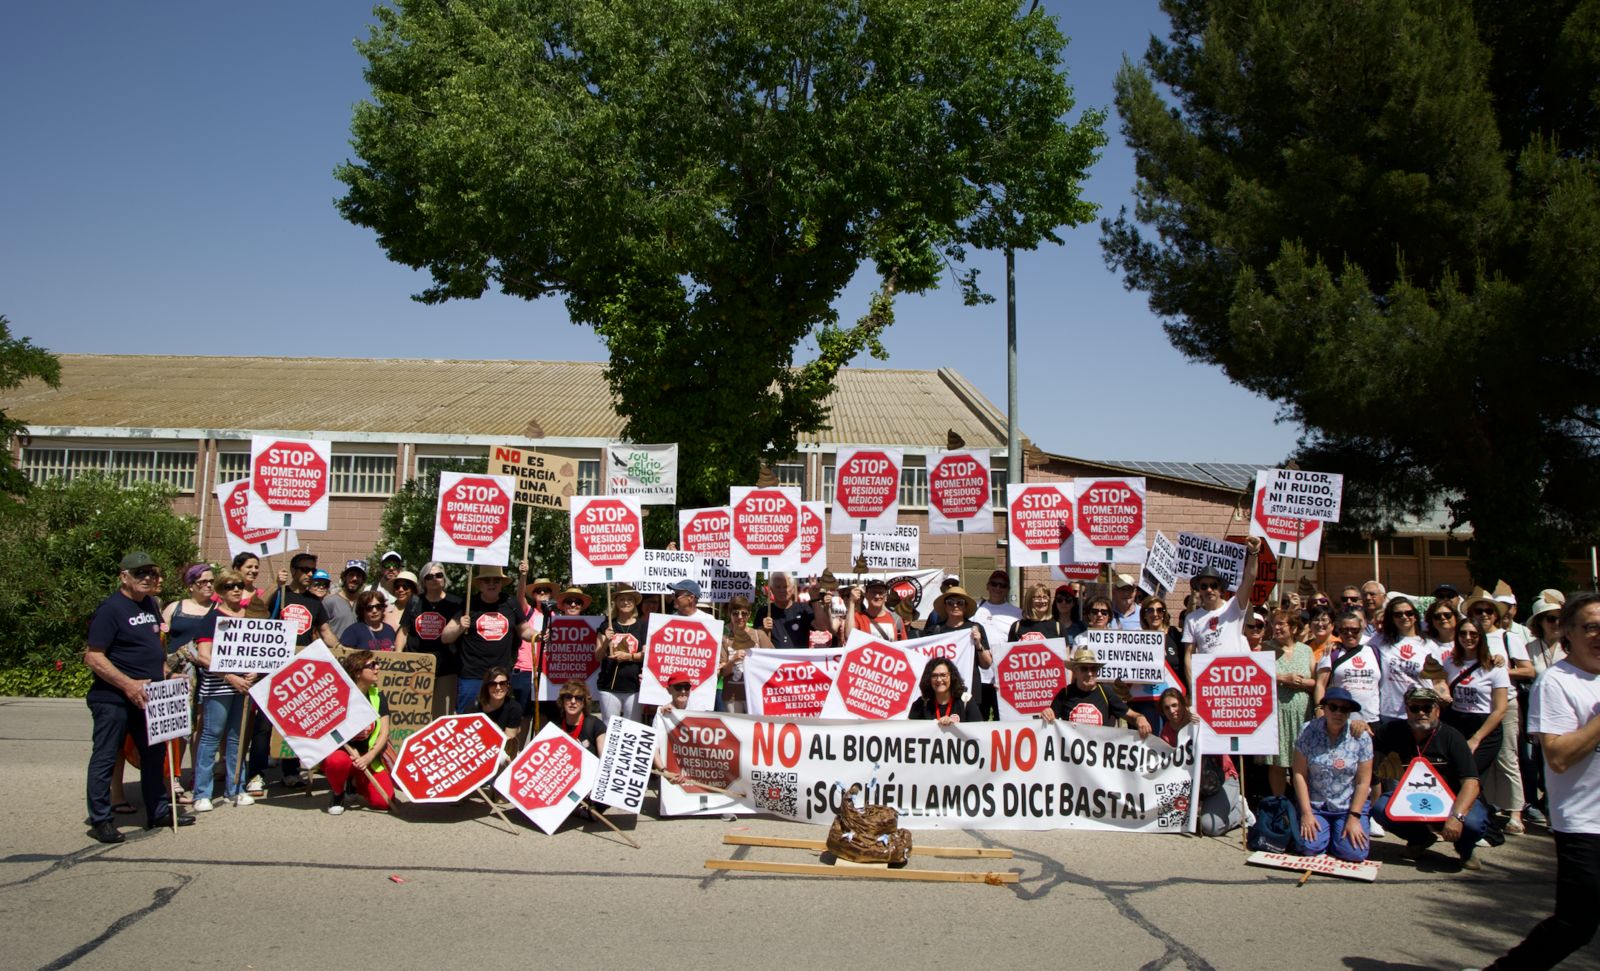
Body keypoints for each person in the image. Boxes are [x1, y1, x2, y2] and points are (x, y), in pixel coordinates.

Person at [1485, 593, 1600, 969]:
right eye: (1590, 626)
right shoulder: (1558, 682)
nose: (1599, 634)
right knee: (1575, 924)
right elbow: (1558, 757)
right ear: (1568, 632)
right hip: (1584, 824)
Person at [84, 551, 195, 842]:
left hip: (149, 697)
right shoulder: (110, 609)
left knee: (154, 755)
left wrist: (168, 675)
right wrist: (128, 684)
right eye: (140, 573)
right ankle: (101, 820)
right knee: (106, 757)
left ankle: (158, 811)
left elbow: (155, 648)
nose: (148, 578)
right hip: (114, 698)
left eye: (152, 573)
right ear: (124, 577)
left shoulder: (150, 604)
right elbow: (94, 657)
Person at [1373, 686, 1489, 870]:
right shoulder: (1392, 731)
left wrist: (1457, 817)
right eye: (1414, 708)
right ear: (1406, 710)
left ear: (1437, 709)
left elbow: (1471, 783)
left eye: (1427, 708)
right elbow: (1369, 739)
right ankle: (1419, 839)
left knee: (1473, 823)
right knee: (1381, 809)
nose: (1421, 713)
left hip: (1452, 800)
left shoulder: (1452, 737)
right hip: (1412, 798)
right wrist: (1360, 726)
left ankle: (1465, 849)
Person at [1466, 588, 1534, 834]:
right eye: (1478, 611)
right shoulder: (1467, 637)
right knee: (1481, 761)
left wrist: (1500, 671)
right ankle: (1490, 806)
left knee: (1507, 758)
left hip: (1505, 705)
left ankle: (1516, 812)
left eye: (1487, 611)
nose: (1483, 615)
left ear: (1496, 615)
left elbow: (1528, 670)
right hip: (1475, 706)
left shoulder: (1508, 638)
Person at [189, 568, 256, 811]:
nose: (236, 589)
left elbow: (261, 651)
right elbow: (204, 657)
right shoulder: (212, 619)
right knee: (211, 736)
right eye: (229, 586)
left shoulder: (250, 617)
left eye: (239, 585)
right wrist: (230, 677)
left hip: (244, 686)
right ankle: (202, 793)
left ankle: (236, 788)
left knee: (237, 739)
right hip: (219, 687)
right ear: (220, 591)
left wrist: (254, 672)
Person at [1292, 687, 1373, 861]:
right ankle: (1327, 834)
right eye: (1333, 707)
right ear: (1324, 708)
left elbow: (1363, 782)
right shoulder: (1307, 731)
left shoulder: (1361, 736)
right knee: (1308, 848)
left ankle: (1338, 834)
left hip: (1347, 807)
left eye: (1344, 709)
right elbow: (1299, 774)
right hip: (1316, 805)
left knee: (1354, 853)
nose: (1338, 712)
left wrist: (1354, 817)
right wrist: (1306, 813)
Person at [441, 566, 537, 714]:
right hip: (472, 676)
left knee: (497, 722)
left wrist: (539, 636)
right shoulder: (469, 604)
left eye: (496, 580)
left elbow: (524, 630)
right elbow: (446, 637)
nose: (491, 584)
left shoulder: (511, 604)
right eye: (487, 580)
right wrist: (460, 627)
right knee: (467, 720)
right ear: (480, 584)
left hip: (500, 677)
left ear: (501, 583)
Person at [322, 650, 395, 815]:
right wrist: (348, 748)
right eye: (372, 665)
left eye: (377, 664)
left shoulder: (377, 696)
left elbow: (384, 732)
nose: (378, 668)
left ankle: (354, 783)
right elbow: (328, 731)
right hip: (343, 753)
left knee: (384, 802)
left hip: (368, 758)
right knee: (337, 762)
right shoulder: (338, 696)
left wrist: (370, 756)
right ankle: (338, 793)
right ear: (357, 672)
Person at [1159, 688, 1240, 835]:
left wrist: (1204, 726)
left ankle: (1241, 811)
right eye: (1166, 708)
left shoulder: (1201, 719)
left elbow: (1224, 744)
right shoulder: (1166, 732)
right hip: (1196, 786)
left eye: (1175, 705)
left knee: (1209, 827)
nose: (1171, 711)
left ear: (1183, 704)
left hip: (1222, 780)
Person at [1437, 617, 1509, 776]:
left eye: (1473, 634)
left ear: (1481, 637)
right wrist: (1442, 694)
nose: (1467, 638)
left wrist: (1476, 739)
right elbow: (1440, 684)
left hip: (1484, 726)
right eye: (1463, 633)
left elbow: (1501, 709)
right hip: (1456, 723)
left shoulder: (1494, 666)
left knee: (1470, 774)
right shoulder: (1449, 662)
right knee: (1454, 774)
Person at [1180, 537, 1263, 672]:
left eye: (1213, 585)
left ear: (1221, 589)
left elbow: (1249, 580)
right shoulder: (1192, 619)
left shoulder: (1234, 606)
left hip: (1235, 678)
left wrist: (1253, 553)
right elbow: (1188, 656)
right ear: (1199, 590)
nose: (1209, 590)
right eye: (1204, 586)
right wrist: (1193, 688)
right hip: (1209, 681)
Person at [1521, 597, 1566, 826]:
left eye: (1559, 618)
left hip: (1564, 714)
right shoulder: (1530, 648)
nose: (1556, 622)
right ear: (1540, 622)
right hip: (1536, 710)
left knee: (1558, 763)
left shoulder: (1571, 647)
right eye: (1550, 618)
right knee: (1532, 762)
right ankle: (1534, 805)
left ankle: (1552, 808)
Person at [398, 561, 462, 716]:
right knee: (415, 713)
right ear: (423, 581)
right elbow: (403, 631)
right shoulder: (414, 602)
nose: (434, 579)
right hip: (416, 667)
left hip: (446, 668)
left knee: (441, 713)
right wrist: (398, 656)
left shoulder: (456, 603)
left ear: (444, 578)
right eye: (429, 576)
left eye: (439, 575)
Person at [1039, 648, 1153, 736]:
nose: (1090, 673)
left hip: (1099, 758)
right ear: (1075, 671)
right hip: (1072, 760)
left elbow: (1131, 715)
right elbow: (1049, 719)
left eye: (1093, 669)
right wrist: (1046, 713)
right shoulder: (1065, 693)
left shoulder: (1106, 692)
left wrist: (1140, 718)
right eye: (1084, 668)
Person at [1266, 608, 1314, 797]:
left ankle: (1303, 803)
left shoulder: (1306, 650)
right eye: (1274, 624)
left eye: (1281, 624)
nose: (1276, 628)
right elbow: (1258, 676)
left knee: (1302, 763)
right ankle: (1279, 803)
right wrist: (1283, 678)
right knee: (1278, 762)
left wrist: (1300, 682)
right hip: (1277, 715)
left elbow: (1316, 682)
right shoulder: (1265, 647)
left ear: (1294, 628)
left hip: (1302, 716)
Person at [923, 586, 991, 703]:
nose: (955, 605)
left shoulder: (976, 628)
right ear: (945, 606)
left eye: (960, 602)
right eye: (950, 602)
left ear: (965, 606)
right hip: (941, 694)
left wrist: (978, 644)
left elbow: (986, 664)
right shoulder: (934, 631)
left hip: (970, 692)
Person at [1371, 596, 1432, 724]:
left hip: (1420, 712)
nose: (1404, 617)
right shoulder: (1380, 640)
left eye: (1409, 613)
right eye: (1398, 614)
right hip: (1389, 712)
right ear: (1392, 619)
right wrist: (1335, 644)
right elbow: (1356, 649)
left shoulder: (1429, 645)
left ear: (1415, 616)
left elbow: (1438, 680)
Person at [1314, 611, 1381, 724]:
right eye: (1344, 630)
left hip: (1371, 719)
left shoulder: (1374, 651)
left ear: (1362, 630)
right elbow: (1320, 684)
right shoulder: (1331, 653)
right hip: (1340, 719)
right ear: (1339, 631)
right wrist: (1319, 710)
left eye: (1355, 630)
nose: (1350, 633)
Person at [596, 583, 647, 723]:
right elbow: (597, 656)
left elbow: (647, 656)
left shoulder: (643, 625)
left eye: (629, 599)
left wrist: (629, 657)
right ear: (616, 602)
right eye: (622, 599)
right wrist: (606, 640)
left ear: (635, 603)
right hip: (609, 687)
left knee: (633, 727)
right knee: (609, 727)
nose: (626, 602)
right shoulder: (607, 625)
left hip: (634, 687)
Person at [973, 569, 1020, 719]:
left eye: (1003, 585)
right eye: (994, 584)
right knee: (980, 720)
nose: (998, 588)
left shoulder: (1017, 613)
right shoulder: (975, 609)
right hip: (980, 676)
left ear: (1007, 589)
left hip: (1004, 678)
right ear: (987, 586)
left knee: (1003, 721)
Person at [720, 595, 771, 714]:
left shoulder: (759, 635)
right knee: (735, 730)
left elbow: (773, 662)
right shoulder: (725, 639)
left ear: (749, 614)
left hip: (756, 695)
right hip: (732, 696)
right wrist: (733, 660)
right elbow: (722, 672)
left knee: (756, 731)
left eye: (744, 613)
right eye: (735, 613)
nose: (740, 617)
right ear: (730, 614)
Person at [758, 571, 831, 647]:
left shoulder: (803, 609)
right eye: (778, 587)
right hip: (773, 658)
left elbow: (822, 627)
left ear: (793, 589)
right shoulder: (764, 612)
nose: (782, 590)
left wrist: (815, 598)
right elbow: (756, 640)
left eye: (785, 586)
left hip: (799, 658)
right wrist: (763, 630)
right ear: (772, 590)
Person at [908, 657, 983, 724]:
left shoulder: (966, 700)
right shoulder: (922, 703)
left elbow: (978, 730)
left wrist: (955, 727)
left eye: (943, 675)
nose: (939, 680)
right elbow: (907, 729)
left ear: (952, 677)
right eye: (934, 676)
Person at [467, 666, 523, 748]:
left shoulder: (514, 708)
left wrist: (493, 729)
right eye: (493, 684)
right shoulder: (474, 707)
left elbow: (509, 745)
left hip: (500, 750)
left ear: (508, 686)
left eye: (502, 683)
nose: (498, 688)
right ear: (487, 687)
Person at [556, 679, 606, 756]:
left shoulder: (595, 725)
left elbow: (604, 760)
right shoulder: (554, 726)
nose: (573, 701)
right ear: (562, 700)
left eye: (578, 698)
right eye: (568, 697)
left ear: (584, 702)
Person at [324, 559, 365, 638]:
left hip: (358, 650)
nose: (355, 579)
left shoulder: (365, 603)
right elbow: (319, 631)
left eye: (359, 576)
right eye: (351, 575)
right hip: (334, 649)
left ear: (363, 580)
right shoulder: (329, 601)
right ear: (343, 577)